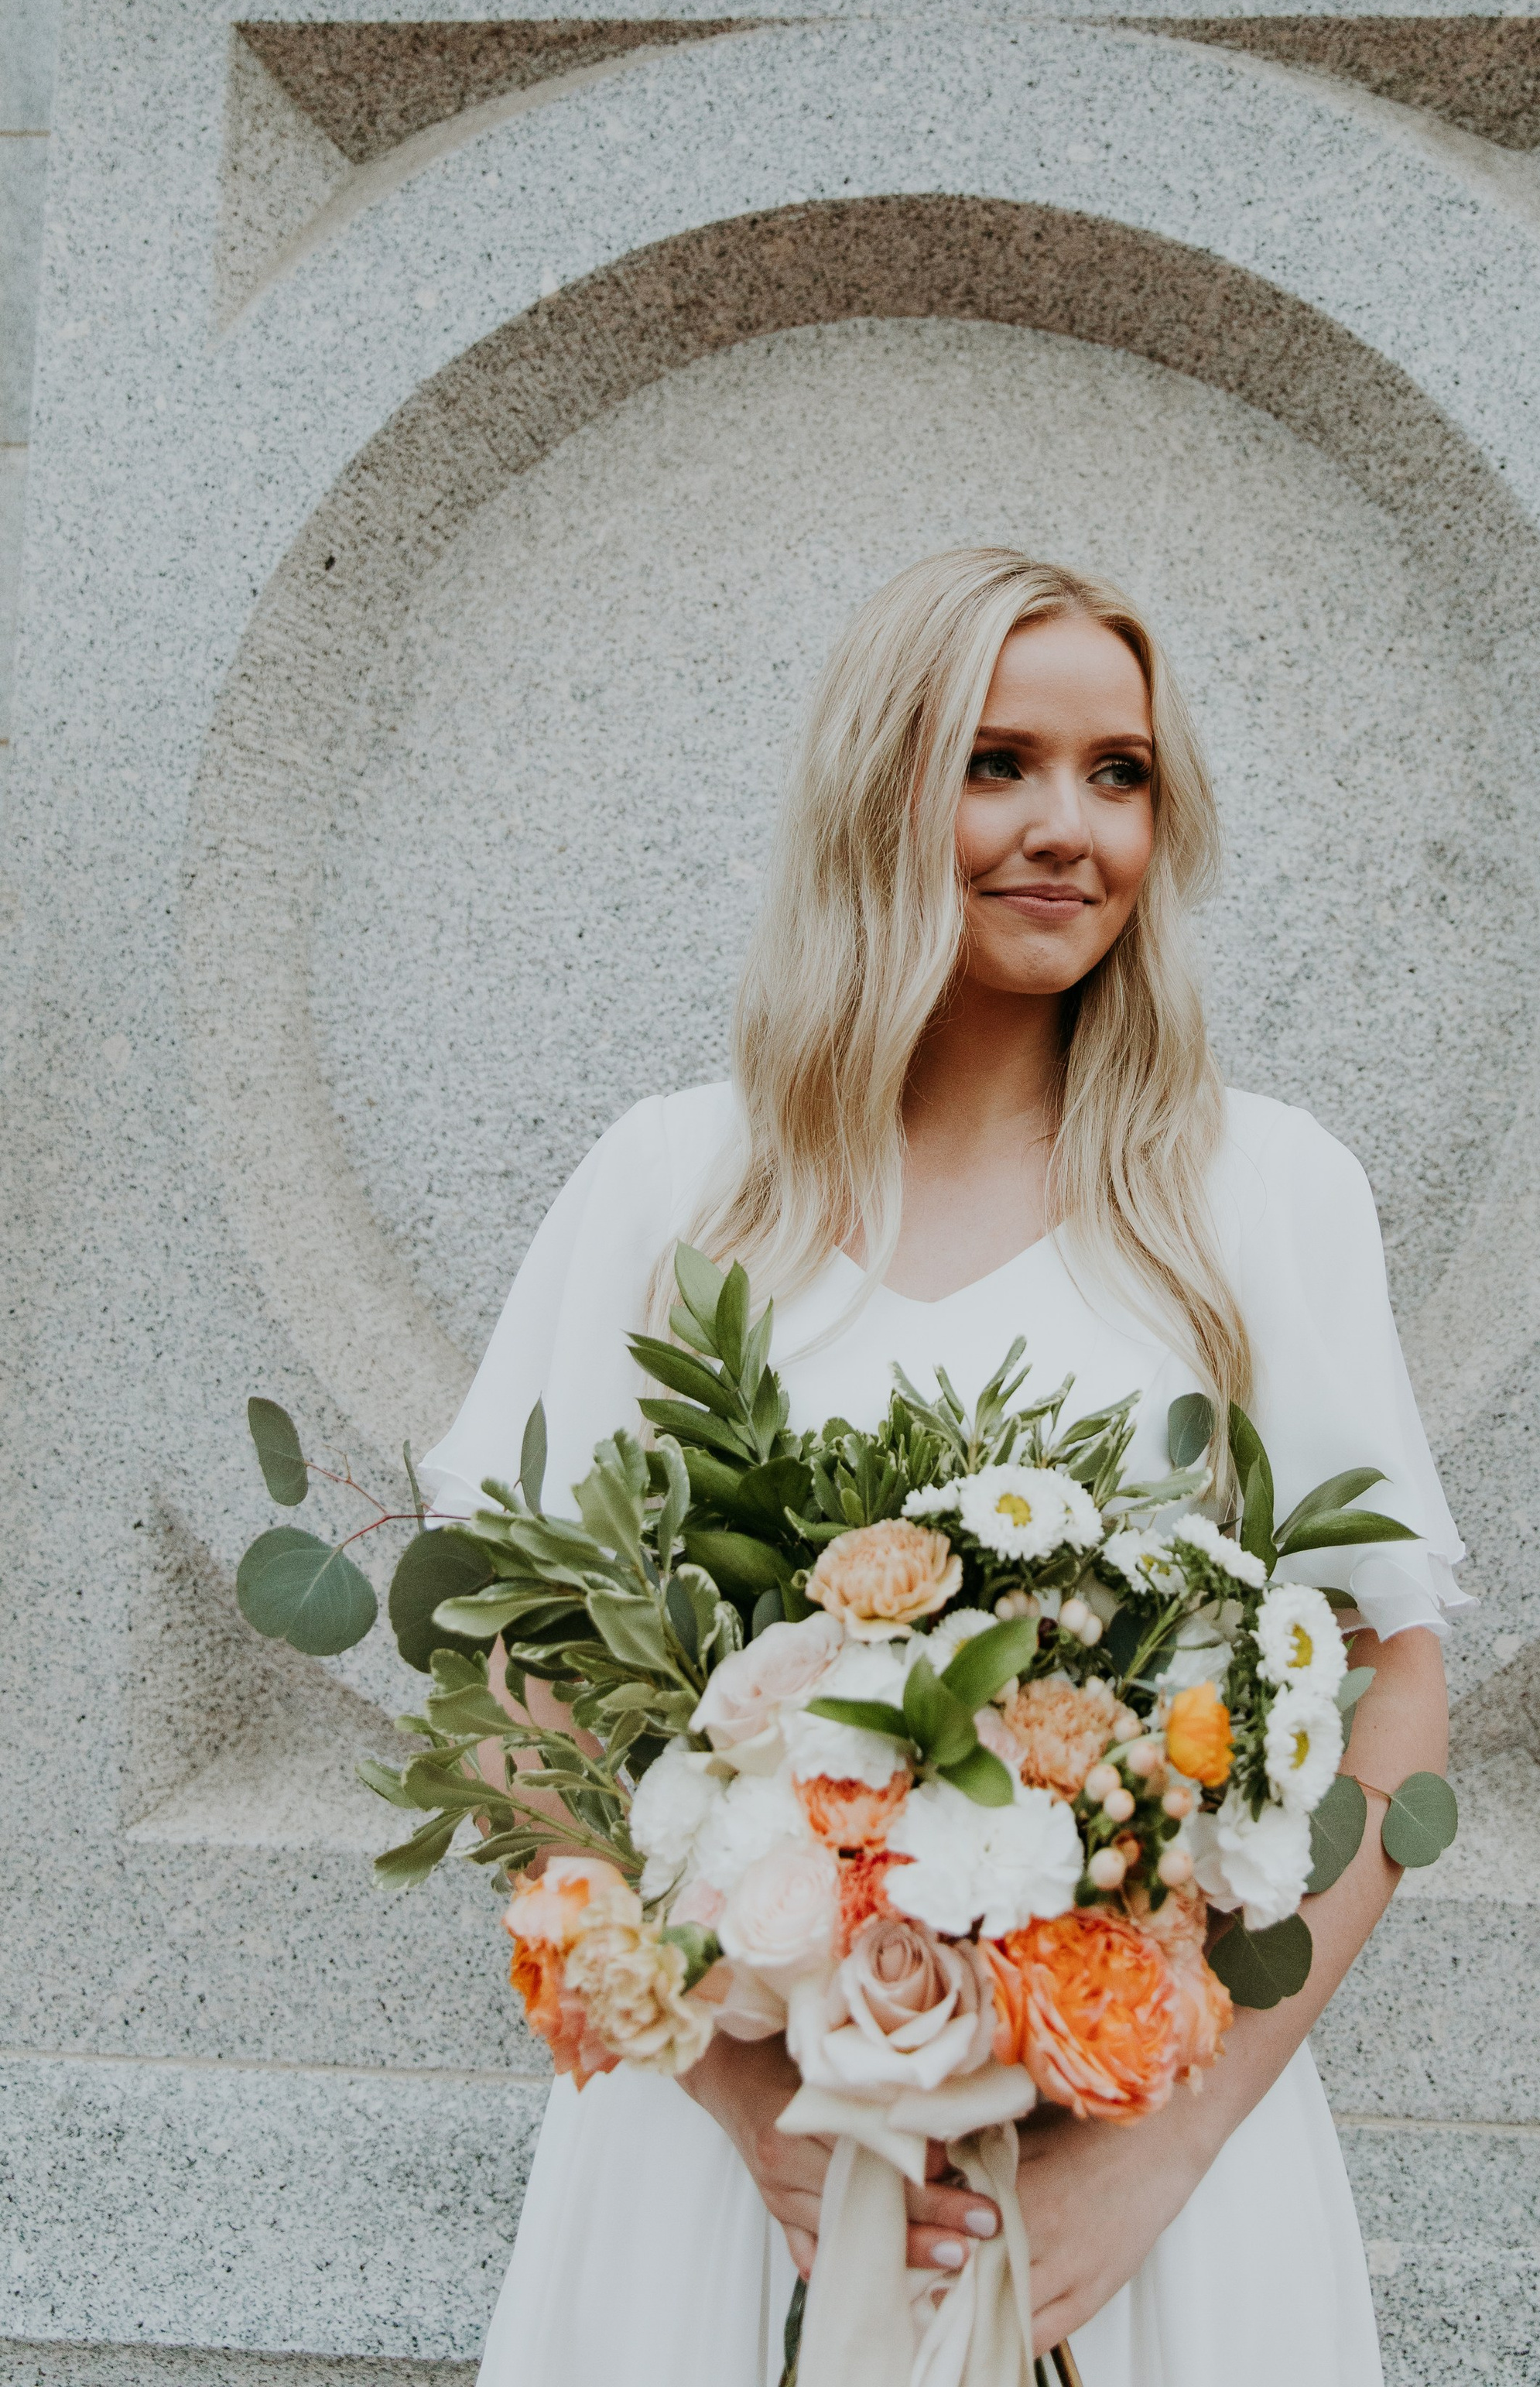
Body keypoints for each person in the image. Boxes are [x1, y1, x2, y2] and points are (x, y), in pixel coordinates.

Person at [421, 546, 1466, 2386]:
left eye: (1117, 773)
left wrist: (1153, 2160)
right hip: (726, 2173)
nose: (1067, 826)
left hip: (1135, 2178)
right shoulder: (676, 1190)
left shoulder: (1259, 1196)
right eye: (998, 762)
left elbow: (1391, 1692)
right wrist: (744, 2098)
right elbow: (512, 1677)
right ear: (877, 788)